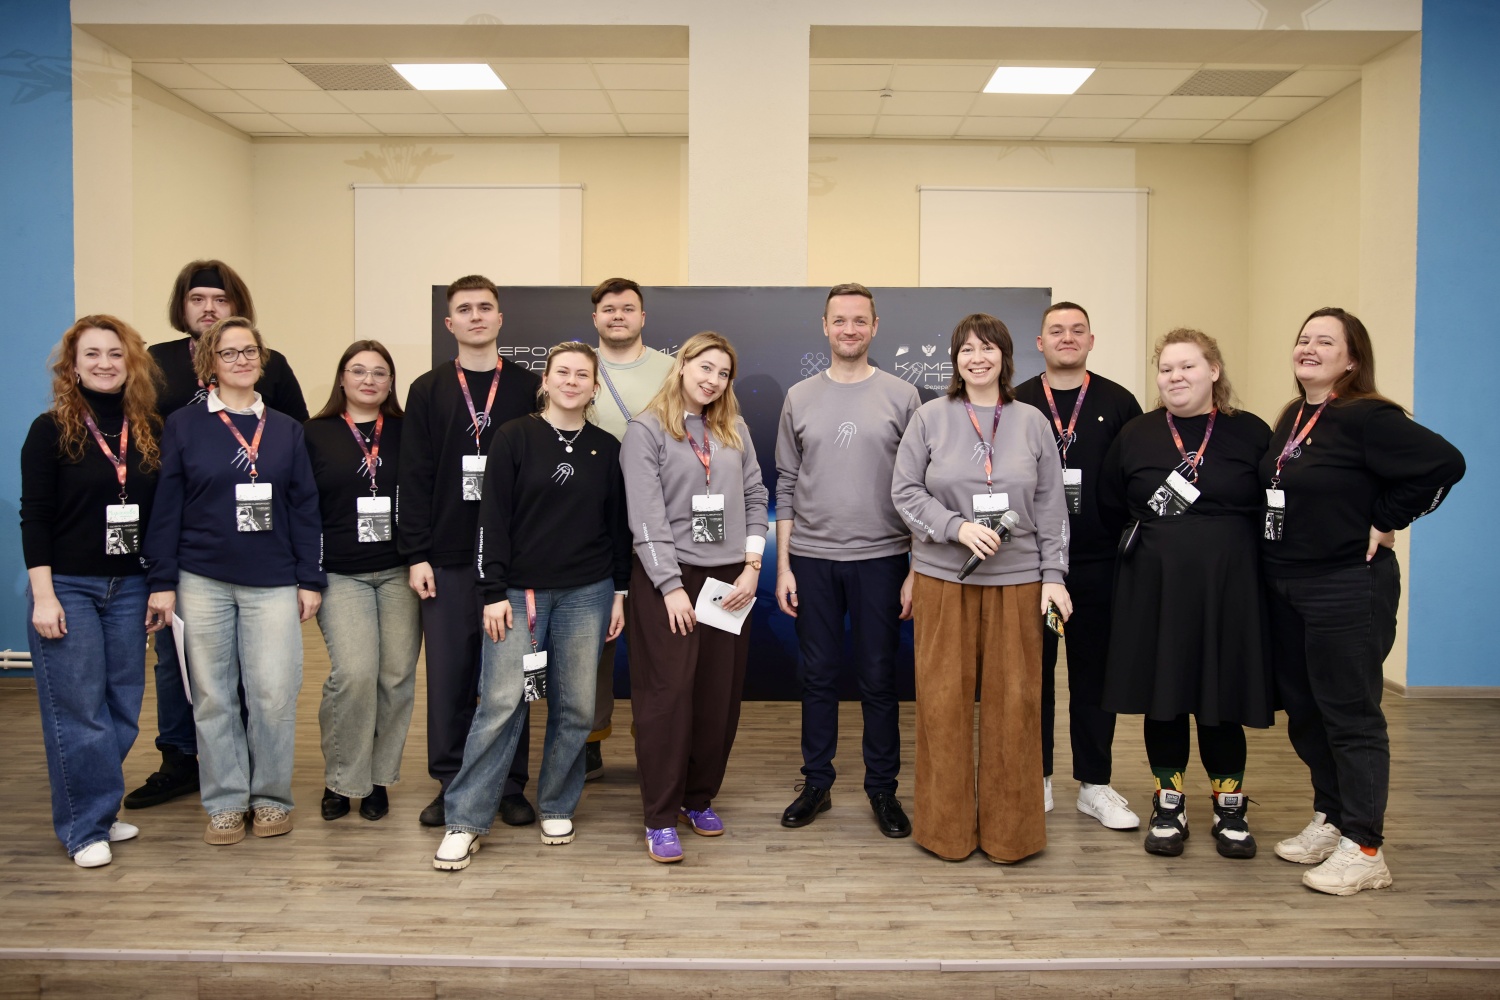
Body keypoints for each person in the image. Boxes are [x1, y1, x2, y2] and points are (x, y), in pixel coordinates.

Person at [1260, 307, 1464, 896]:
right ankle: (1333, 817)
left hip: (1346, 584)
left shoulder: (1368, 416)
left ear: (1352, 359)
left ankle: (1366, 848)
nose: (1309, 347)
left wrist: (1387, 517)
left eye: (1325, 341)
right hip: (1288, 584)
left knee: (1351, 715)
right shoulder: (1295, 415)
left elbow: (1446, 464)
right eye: (1303, 338)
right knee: (1306, 712)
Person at [434, 343, 630, 870]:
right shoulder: (514, 436)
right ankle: (465, 820)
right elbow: (492, 519)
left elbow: (617, 528)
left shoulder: (607, 448)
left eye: (582, 375)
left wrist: (620, 592)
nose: (571, 381)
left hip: (587, 593)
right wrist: (491, 592)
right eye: (562, 372)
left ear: (594, 388)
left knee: (577, 707)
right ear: (546, 380)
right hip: (518, 596)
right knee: (501, 702)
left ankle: (558, 805)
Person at [128, 259, 308, 811]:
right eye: (228, 353)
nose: (240, 360)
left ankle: (267, 791)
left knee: (270, 691)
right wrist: (162, 577)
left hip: (270, 570)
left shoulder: (283, 417)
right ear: (210, 361)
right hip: (195, 564)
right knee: (199, 686)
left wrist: (310, 575)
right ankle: (210, 787)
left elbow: (303, 495)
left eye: (248, 351)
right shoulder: (169, 394)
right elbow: (158, 486)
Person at [891, 313, 1070, 864]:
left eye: (988, 348)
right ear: (955, 359)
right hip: (944, 579)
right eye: (967, 349)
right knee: (941, 705)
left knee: (1015, 706)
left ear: (1005, 357)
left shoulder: (1033, 422)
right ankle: (944, 832)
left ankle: (1011, 835)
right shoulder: (929, 418)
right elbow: (904, 492)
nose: (978, 357)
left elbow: (1051, 507)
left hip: (1017, 583)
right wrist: (956, 527)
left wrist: (1054, 577)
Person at [1099, 328, 1272, 861]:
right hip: (1156, 589)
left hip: (1229, 589)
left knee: (1222, 699)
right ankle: (1168, 804)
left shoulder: (1250, 432)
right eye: (1166, 369)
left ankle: (1229, 807)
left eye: (1188, 366)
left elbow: (1275, 503)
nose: (1175, 377)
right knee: (1165, 696)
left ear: (1214, 371)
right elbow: (1110, 504)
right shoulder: (1136, 434)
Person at [774, 283, 921, 837]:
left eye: (860, 320)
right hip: (812, 558)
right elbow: (786, 482)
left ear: (875, 327)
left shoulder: (903, 396)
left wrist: (915, 570)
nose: (850, 329)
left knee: (879, 678)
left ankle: (883, 789)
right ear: (825, 326)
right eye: (840, 320)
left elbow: (920, 487)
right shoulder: (799, 396)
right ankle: (817, 783)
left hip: (883, 558)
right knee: (817, 676)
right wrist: (784, 567)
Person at [398, 274, 541, 829]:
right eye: (465, 309)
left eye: (485, 307)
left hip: (515, 561)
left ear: (500, 319)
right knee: (450, 680)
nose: (476, 316)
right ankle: (451, 783)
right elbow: (413, 476)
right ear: (449, 323)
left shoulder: (530, 386)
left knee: (510, 679)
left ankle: (509, 784)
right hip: (448, 559)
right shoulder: (427, 389)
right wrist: (417, 554)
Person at [621, 332, 769, 863]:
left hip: (730, 578)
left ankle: (697, 797)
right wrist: (669, 586)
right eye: (705, 367)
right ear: (682, 365)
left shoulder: (734, 428)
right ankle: (660, 816)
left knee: (716, 695)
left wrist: (752, 566)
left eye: (723, 373)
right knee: (667, 698)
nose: (713, 380)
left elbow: (756, 495)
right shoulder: (646, 429)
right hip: (669, 579)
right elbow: (645, 516)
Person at [21, 316, 163, 867]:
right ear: (73, 366)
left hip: (131, 586)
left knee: (122, 708)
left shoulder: (148, 429)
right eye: (92, 354)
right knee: (79, 712)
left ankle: (98, 809)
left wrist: (158, 585)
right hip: (68, 587)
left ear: (131, 363)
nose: (105, 363)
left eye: (115, 353)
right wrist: (44, 595)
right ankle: (84, 830)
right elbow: (35, 517)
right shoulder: (50, 430)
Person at [1013, 302, 1142, 830]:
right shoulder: (1017, 400)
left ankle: (1095, 784)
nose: (1067, 338)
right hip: (1031, 566)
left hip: (1099, 564)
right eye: (1056, 330)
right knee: (1032, 676)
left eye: (1077, 330)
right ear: (1039, 343)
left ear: (1091, 340)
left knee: (1094, 677)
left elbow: (1137, 479)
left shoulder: (1119, 402)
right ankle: (1036, 776)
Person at [304, 341, 420, 823]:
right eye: (358, 371)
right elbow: (301, 508)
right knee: (354, 675)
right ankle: (341, 778)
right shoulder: (314, 433)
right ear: (341, 378)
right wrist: (305, 574)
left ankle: (378, 779)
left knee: (395, 678)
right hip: (340, 573)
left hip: (399, 571)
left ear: (391, 382)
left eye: (379, 372)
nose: (369, 380)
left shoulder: (409, 431)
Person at [583, 277, 675, 780]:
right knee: (593, 642)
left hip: (659, 522)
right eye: (609, 308)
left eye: (627, 308)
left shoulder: (671, 370)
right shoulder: (577, 367)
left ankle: (654, 737)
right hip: (592, 527)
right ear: (595, 317)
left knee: (654, 643)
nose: (618, 315)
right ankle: (590, 739)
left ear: (643, 317)